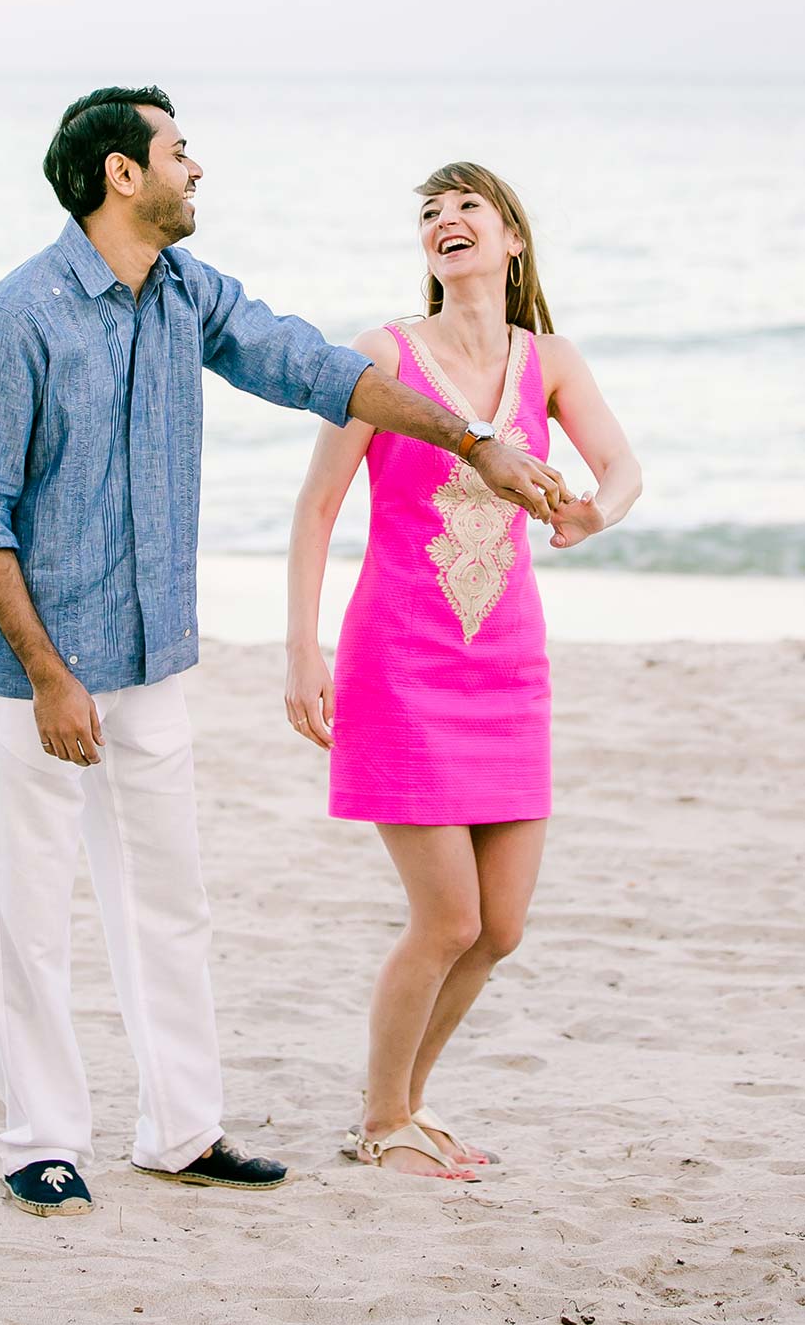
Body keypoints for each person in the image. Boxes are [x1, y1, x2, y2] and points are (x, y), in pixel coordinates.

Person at [0, 94, 570, 1217]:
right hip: (34, 671)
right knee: (29, 909)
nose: (196, 168)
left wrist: (474, 438)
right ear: (124, 175)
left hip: (154, 655)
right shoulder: (13, 320)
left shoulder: (191, 294)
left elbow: (319, 372)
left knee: (168, 902)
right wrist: (47, 677)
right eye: (179, 152)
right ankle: (39, 1137)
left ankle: (180, 1131)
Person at [285, 161, 642, 1181]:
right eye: (430, 214)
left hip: (510, 666)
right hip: (397, 662)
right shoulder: (381, 356)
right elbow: (317, 508)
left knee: (502, 929)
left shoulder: (551, 360)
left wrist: (590, 515)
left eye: (466, 208)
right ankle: (380, 1119)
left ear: (511, 239)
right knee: (447, 918)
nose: (445, 222)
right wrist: (302, 648)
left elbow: (624, 471)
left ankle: (408, 1106)